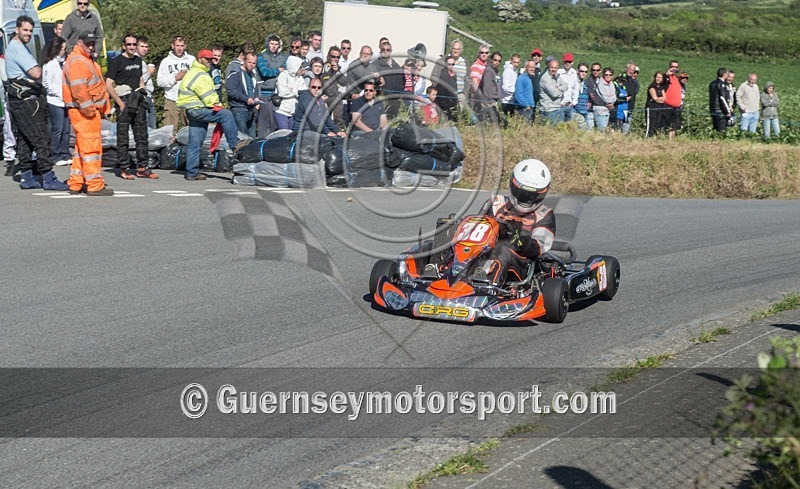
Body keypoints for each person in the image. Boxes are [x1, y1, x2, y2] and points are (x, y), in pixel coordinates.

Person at [5, 16, 67, 190]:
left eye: (31, 31)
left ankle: (26, 176)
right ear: (17, 29)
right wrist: (42, 68)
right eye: (25, 30)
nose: (28, 34)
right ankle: (48, 177)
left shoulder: (18, 47)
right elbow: (35, 73)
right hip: (25, 100)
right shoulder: (17, 48)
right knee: (41, 137)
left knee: (25, 138)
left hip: (19, 99)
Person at [473, 159, 555, 286]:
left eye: (532, 195)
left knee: (503, 249)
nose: (526, 199)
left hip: (521, 263)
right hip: (485, 252)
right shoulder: (495, 203)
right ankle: (437, 275)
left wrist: (523, 241)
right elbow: (478, 229)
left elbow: (538, 248)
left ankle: (485, 288)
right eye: (522, 193)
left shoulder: (544, 214)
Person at [176, 49, 240, 181]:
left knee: (195, 142)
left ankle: (192, 173)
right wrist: (218, 105)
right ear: (200, 59)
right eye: (207, 59)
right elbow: (208, 96)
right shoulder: (201, 75)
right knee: (226, 115)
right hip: (198, 109)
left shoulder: (192, 72)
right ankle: (235, 145)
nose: (209, 62)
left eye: (211, 59)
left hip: (191, 110)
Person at [62, 31, 112, 195]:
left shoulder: (82, 59)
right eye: (88, 43)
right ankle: (94, 184)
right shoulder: (78, 61)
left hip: (83, 111)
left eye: (93, 43)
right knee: (91, 149)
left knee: (81, 148)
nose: (91, 46)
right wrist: (90, 110)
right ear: (79, 42)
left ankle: (77, 182)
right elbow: (79, 91)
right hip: (84, 112)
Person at [106, 33, 157, 180]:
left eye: (134, 44)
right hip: (124, 101)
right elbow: (108, 84)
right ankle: (124, 168)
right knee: (123, 137)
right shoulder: (117, 62)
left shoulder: (138, 60)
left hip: (138, 101)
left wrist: (144, 93)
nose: (132, 47)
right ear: (124, 46)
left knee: (142, 135)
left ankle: (143, 168)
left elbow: (140, 79)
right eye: (129, 44)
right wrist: (120, 103)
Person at [42, 36, 72, 167]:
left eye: (65, 49)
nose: (64, 52)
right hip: (55, 101)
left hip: (66, 101)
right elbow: (47, 84)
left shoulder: (65, 63)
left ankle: (65, 153)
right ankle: (55, 154)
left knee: (66, 129)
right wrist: (61, 94)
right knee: (57, 129)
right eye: (62, 49)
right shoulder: (49, 64)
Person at [157, 35, 194, 134]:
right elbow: (160, 82)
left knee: (192, 129)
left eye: (181, 46)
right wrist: (175, 78)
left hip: (189, 99)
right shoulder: (166, 62)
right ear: (172, 46)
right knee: (169, 131)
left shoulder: (191, 60)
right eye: (177, 46)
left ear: (185, 46)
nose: (179, 48)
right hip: (172, 100)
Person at [226, 52, 260, 137]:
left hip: (251, 109)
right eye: (249, 62)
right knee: (242, 137)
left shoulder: (253, 74)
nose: (251, 65)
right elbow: (231, 91)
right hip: (239, 109)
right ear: (244, 61)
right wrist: (246, 99)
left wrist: (257, 98)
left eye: (254, 63)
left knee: (252, 138)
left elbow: (254, 89)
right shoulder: (235, 73)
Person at [369, 42, 403, 118]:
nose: (385, 51)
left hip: (396, 99)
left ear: (391, 51)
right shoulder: (375, 65)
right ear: (380, 51)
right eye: (383, 49)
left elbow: (401, 81)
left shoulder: (396, 65)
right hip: (382, 99)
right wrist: (378, 78)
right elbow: (370, 78)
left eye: (388, 50)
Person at [274, 56, 307, 130]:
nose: (301, 69)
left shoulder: (300, 78)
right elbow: (282, 92)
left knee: (290, 136)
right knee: (284, 133)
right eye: (300, 67)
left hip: (292, 112)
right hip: (281, 111)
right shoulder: (283, 75)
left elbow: (303, 92)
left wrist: (291, 90)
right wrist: (296, 92)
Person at [136, 35, 157, 129]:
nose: (145, 49)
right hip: (143, 97)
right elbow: (137, 79)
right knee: (148, 128)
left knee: (152, 127)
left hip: (148, 96)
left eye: (146, 47)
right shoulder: (136, 61)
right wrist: (149, 72)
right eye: (142, 46)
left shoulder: (142, 60)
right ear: (136, 47)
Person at [539, 59, 568, 125]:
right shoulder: (545, 78)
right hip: (548, 110)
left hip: (557, 108)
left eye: (556, 68)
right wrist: (561, 92)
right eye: (552, 67)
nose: (554, 69)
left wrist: (558, 88)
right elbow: (554, 94)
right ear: (548, 67)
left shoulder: (557, 76)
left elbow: (566, 85)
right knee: (550, 132)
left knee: (559, 132)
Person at [434, 56, 458, 120]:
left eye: (453, 64)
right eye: (449, 64)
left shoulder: (454, 75)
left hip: (452, 102)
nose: (451, 66)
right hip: (444, 103)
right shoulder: (443, 74)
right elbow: (441, 90)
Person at [663, 60, 682, 139]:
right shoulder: (666, 77)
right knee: (667, 126)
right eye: (672, 67)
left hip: (676, 107)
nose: (674, 68)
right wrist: (667, 74)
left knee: (674, 126)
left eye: (676, 67)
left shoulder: (677, 79)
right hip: (667, 106)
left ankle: (671, 141)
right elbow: (660, 82)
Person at [593, 68, 616, 133]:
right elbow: (604, 98)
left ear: (612, 76)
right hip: (600, 110)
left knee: (605, 130)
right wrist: (611, 101)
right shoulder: (600, 84)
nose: (608, 76)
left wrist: (612, 102)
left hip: (607, 110)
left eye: (610, 75)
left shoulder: (612, 84)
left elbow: (614, 96)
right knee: (602, 130)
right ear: (603, 75)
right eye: (606, 75)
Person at [557, 53, 578, 121]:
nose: (567, 63)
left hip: (569, 105)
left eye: (569, 62)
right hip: (560, 105)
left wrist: (574, 101)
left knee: (569, 126)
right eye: (566, 62)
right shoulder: (558, 73)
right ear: (563, 62)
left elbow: (575, 88)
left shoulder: (574, 73)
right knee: (559, 125)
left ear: (572, 63)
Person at [645, 71, 667, 137]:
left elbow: (665, 98)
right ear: (655, 77)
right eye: (657, 77)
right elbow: (654, 98)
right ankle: (648, 138)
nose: (658, 79)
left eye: (660, 77)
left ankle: (654, 139)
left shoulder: (661, 87)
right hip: (652, 109)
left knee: (657, 125)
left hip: (659, 108)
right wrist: (658, 99)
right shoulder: (652, 86)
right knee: (651, 125)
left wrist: (658, 99)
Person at [709, 67, 729, 133]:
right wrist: (727, 111)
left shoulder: (712, 83)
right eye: (727, 73)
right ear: (724, 74)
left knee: (715, 129)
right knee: (721, 130)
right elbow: (722, 99)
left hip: (712, 108)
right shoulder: (722, 84)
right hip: (720, 110)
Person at [573, 63, 590, 129]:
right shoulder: (573, 82)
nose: (584, 73)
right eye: (582, 71)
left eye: (586, 72)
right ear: (577, 71)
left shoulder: (585, 83)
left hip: (584, 112)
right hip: (575, 112)